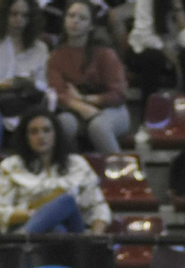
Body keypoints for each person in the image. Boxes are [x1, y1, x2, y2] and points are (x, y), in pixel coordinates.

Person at [0, 107, 111, 232]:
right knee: (57, 229)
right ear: (25, 137)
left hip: (73, 231)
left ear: (56, 134)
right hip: (30, 225)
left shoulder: (77, 164)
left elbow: (99, 208)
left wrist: (95, 239)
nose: (41, 136)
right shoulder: (11, 166)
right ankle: (27, 232)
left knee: (67, 201)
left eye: (46, 130)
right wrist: (41, 215)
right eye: (34, 132)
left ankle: (24, 235)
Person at [0, 0, 54, 160]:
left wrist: (28, 84)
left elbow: (44, 84)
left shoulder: (40, 48)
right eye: (13, 14)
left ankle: (36, 169)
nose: (19, 20)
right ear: (3, 15)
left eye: (24, 15)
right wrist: (0, 85)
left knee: (41, 118)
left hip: (25, 102)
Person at [48, 0, 131, 153]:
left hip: (112, 109)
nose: (75, 21)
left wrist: (86, 99)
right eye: (71, 16)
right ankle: (67, 166)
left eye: (82, 18)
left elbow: (118, 95)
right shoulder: (56, 56)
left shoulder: (106, 53)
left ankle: (118, 166)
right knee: (62, 124)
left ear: (91, 25)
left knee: (98, 126)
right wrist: (83, 107)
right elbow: (59, 93)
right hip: (73, 109)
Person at [125, 0, 185, 100]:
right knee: (152, 57)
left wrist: (178, 7)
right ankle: (148, 106)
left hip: (180, 46)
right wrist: (166, 52)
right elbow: (144, 33)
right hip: (150, 45)